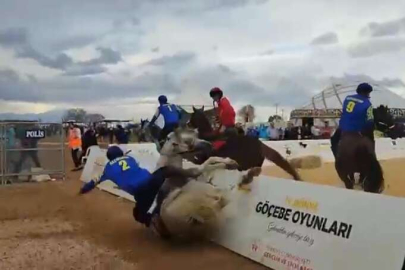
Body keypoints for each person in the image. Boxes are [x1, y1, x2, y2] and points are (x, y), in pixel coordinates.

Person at [79, 146, 201, 230]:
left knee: (140, 215)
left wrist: (84, 189)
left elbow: (93, 182)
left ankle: (157, 223)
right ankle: (191, 174)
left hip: (141, 192)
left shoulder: (107, 169)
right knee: (166, 170)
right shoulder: (130, 158)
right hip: (153, 180)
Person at [331, 83, 374, 158]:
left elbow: (346, 111)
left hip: (342, 128)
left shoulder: (347, 98)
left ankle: (337, 157)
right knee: (370, 141)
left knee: (334, 140)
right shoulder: (368, 104)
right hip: (357, 130)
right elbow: (370, 120)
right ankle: (372, 155)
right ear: (367, 92)